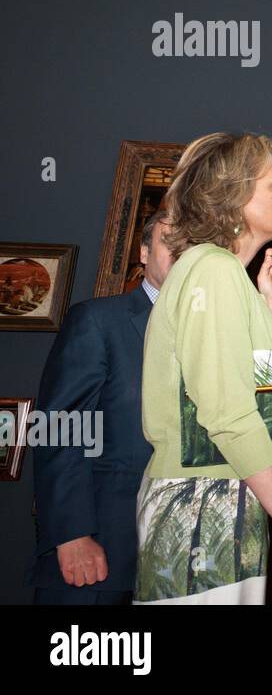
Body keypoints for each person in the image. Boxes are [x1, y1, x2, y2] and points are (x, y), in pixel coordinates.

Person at [134, 132, 272, 605]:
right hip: (202, 499)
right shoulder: (211, 269)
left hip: (231, 491)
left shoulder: (230, 277)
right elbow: (229, 414)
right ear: (233, 193)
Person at [27, 210, 175, 604]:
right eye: (169, 238)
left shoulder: (214, 336)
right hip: (99, 555)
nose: (181, 249)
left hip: (179, 562)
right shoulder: (98, 321)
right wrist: (73, 533)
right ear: (144, 252)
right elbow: (58, 428)